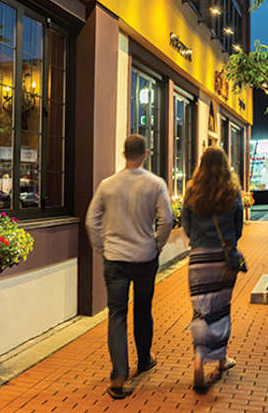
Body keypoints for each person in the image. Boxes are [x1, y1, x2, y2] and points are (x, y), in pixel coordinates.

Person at [85, 134, 173, 399]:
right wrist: (155, 245)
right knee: (143, 309)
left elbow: (91, 221)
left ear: (124, 153)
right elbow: (167, 220)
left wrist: (102, 247)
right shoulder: (155, 184)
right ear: (145, 154)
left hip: (115, 259)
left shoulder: (107, 185)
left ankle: (118, 376)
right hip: (145, 258)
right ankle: (144, 358)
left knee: (117, 314)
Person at [181, 146, 243, 392]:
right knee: (220, 309)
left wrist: (198, 241)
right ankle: (220, 358)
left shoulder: (191, 190)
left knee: (201, 311)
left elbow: (186, 225)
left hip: (198, 259)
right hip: (223, 258)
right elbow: (238, 228)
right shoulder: (232, 191)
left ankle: (199, 356)